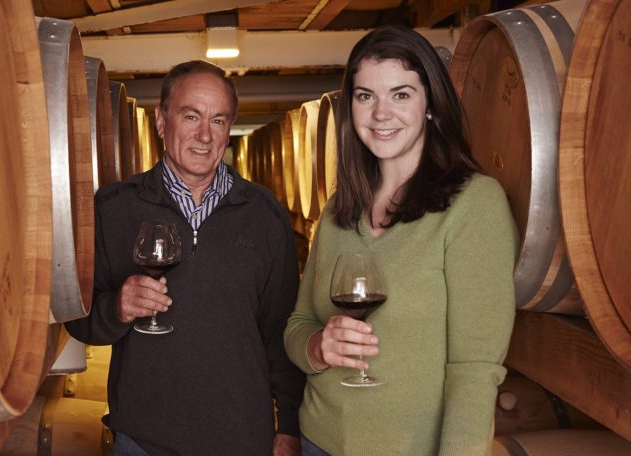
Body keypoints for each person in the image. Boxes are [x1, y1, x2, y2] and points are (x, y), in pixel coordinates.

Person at [283, 25, 519, 456]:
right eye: (365, 95)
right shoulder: (339, 210)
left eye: (401, 94)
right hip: (319, 438)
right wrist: (319, 346)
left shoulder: (474, 206)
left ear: (431, 104)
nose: (380, 114)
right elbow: (298, 324)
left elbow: (475, 369)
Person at [65, 60, 305, 456]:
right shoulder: (113, 209)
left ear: (229, 130)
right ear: (162, 122)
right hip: (143, 439)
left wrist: (290, 425)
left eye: (218, 121)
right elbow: (80, 321)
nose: (204, 135)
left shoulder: (264, 214)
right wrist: (117, 308)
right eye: (190, 116)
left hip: (242, 437)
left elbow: (281, 331)